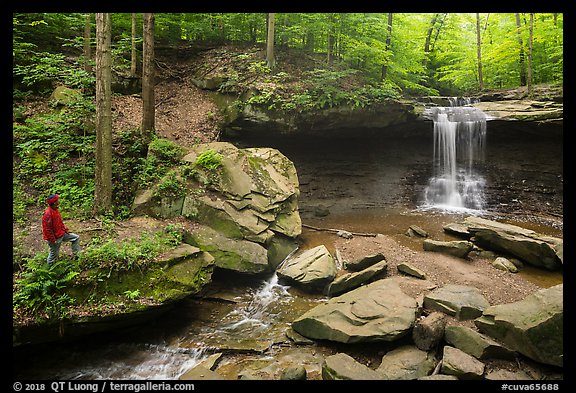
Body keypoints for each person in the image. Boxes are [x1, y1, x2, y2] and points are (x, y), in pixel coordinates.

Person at [42, 194, 81, 264]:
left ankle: (77, 257)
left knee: (76, 238)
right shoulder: (48, 214)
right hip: (55, 238)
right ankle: (48, 270)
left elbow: (59, 222)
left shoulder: (55, 210)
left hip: (61, 233)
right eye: (57, 200)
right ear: (54, 202)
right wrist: (53, 240)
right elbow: (47, 229)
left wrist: (65, 230)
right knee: (53, 255)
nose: (59, 201)